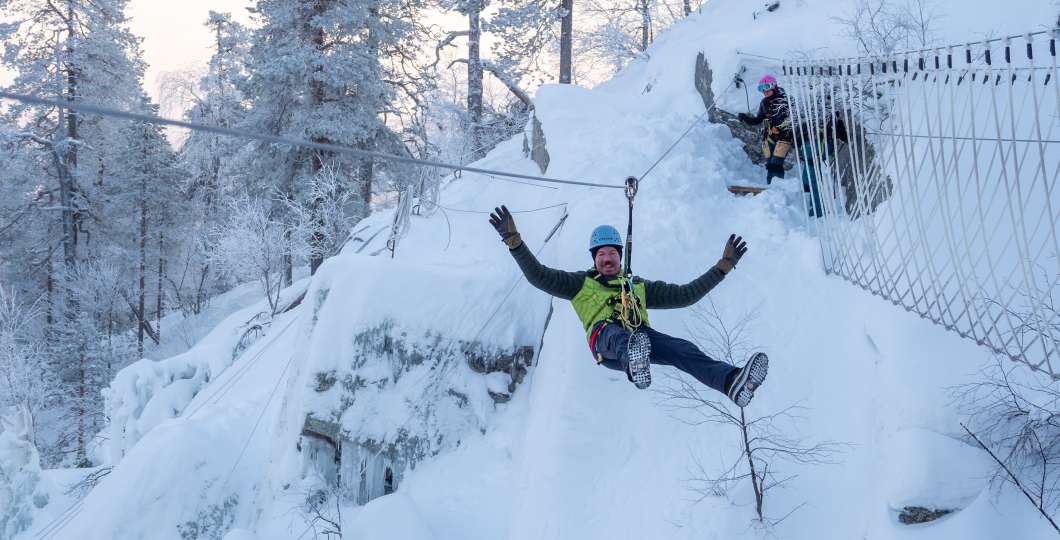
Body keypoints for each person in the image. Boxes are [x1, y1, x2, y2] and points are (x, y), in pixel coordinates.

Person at [487, 206, 768, 407]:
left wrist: (723, 267)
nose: (606, 258)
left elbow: (687, 295)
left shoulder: (638, 286)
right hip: (607, 344)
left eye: (611, 253)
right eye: (601, 254)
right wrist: (514, 242)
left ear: (620, 258)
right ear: (594, 259)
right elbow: (539, 275)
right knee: (618, 335)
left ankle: (731, 382)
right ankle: (634, 364)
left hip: (642, 340)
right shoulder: (580, 283)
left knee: (683, 349)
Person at [738, 74, 793, 185]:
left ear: (773, 86)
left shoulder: (786, 100)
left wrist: (784, 130)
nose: (764, 91)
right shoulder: (764, 103)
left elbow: (793, 118)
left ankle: (778, 188)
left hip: (784, 136)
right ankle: (770, 187)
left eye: (766, 87)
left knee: (776, 164)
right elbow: (758, 120)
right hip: (770, 137)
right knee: (770, 164)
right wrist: (745, 118)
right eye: (761, 89)